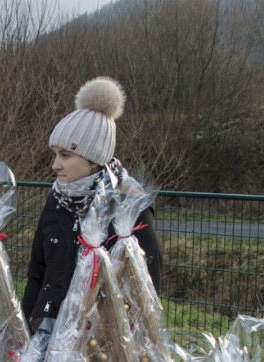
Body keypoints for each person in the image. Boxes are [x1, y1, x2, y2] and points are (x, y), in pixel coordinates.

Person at [20, 76, 163, 337]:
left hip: (103, 347)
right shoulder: (56, 200)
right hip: (48, 335)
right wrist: (25, 335)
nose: (55, 165)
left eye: (65, 155)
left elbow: (146, 288)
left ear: (94, 159)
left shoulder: (130, 205)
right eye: (55, 154)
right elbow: (37, 275)